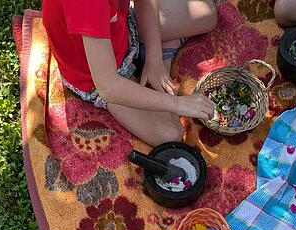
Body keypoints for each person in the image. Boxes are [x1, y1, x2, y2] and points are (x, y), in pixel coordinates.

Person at [41, 0, 217, 146]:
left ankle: (155, 57)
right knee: (170, 134)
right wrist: (177, 104)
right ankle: (162, 57)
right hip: (97, 75)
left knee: (207, 14)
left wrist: (154, 57)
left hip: (121, 29)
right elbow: (108, 86)